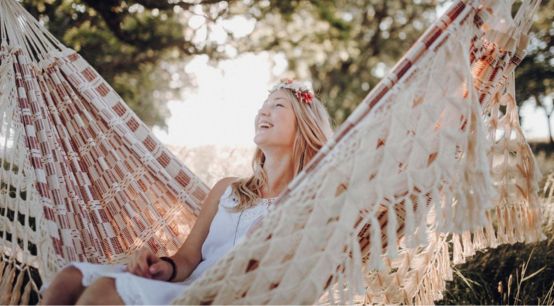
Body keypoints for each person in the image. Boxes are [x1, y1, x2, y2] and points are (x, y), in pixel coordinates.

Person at [40, 79, 334, 305]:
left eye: (278, 105)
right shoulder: (228, 189)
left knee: (106, 290)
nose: (263, 111)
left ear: (305, 127)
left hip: (221, 299)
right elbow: (188, 258)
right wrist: (162, 268)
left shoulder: (307, 202)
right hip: (186, 284)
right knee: (70, 277)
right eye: (263, 105)